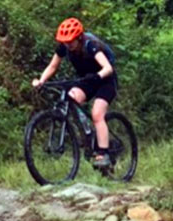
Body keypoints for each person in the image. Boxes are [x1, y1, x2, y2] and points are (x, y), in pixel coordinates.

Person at [31, 17, 117, 168]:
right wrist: (41, 81)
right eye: (65, 41)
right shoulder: (64, 47)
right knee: (71, 97)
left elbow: (108, 68)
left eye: (70, 41)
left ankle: (104, 154)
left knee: (97, 114)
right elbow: (52, 66)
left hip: (105, 80)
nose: (67, 44)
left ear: (79, 37)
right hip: (87, 80)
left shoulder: (90, 45)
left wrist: (97, 76)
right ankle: (87, 134)